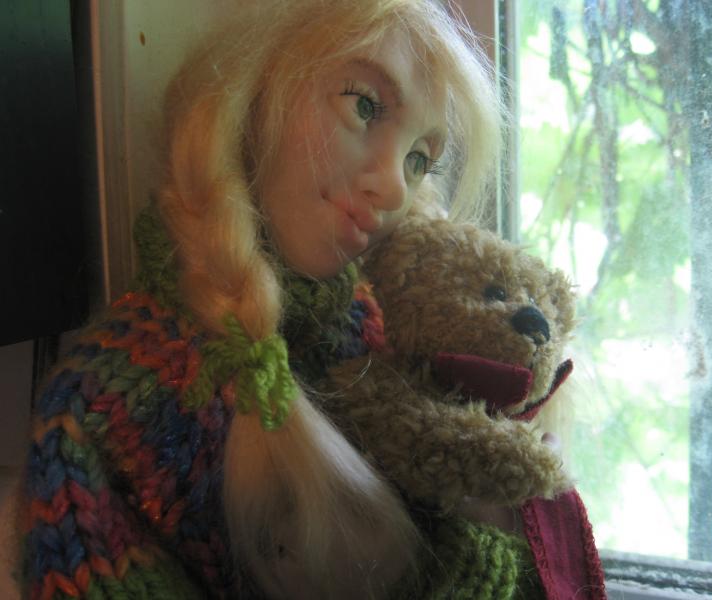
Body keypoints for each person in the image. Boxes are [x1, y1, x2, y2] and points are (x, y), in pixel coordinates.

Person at [19, 0, 548, 598]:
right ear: (254, 94)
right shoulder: (97, 416)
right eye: (364, 105)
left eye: (418, 160)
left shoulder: (389, 334)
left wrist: (502, 520)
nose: (395, 187)